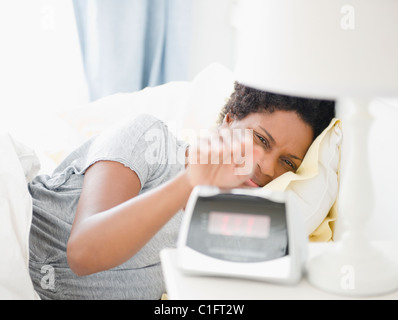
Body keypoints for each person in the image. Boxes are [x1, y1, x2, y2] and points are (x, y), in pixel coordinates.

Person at [28, 82, 335, 299]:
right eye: (261, 140)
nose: (268, 167)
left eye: (287, 162)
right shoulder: (149, 139)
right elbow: (83, 253)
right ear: (229, 121)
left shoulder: (236, 233)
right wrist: (190, 182)